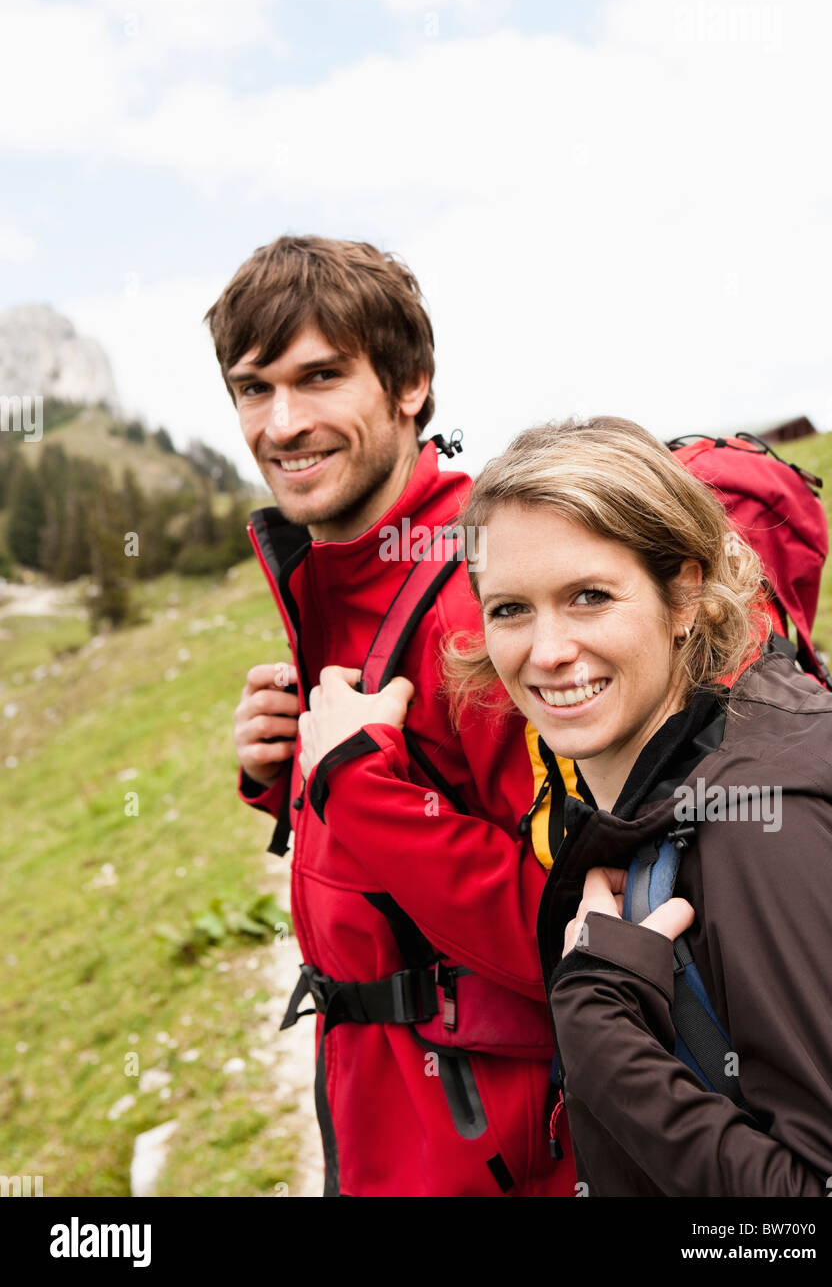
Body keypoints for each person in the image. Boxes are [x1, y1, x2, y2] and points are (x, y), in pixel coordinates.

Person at [204, 235, 575, 1198]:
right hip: (380, 1116)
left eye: (320, 377)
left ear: (410, 383)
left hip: (494, 1147)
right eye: (254, 388)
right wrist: (283, 774)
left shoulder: (481, 601)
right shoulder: (345, 569)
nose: (282, 423)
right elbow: (408, 802)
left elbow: (578, 936)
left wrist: (354, 787)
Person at [435, 414, 832, 1196]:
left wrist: (602, 1038)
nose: (548, 650)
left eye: (590, 596)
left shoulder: (762, 829)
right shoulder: (665, 787)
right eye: (509, 609)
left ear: (685, 593)